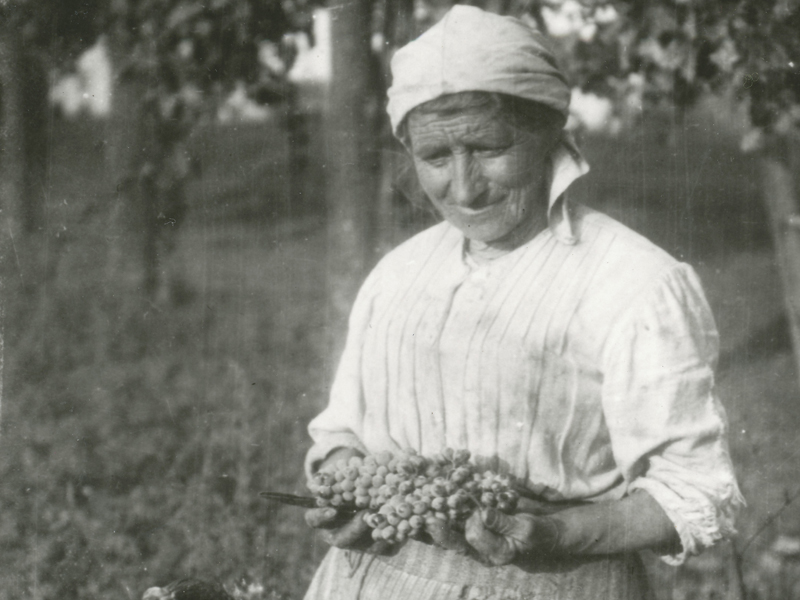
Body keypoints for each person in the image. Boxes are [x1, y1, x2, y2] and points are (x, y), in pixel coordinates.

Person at [302, 6, 744, 599]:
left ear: (547, 134)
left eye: (488, 148)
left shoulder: (636, 284)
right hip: (373, 583)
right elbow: (340, 433)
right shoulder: (398, 274)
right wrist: (343, 490)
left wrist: (558, 534)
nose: (464, 187)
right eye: (436, 157)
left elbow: (696, 494)